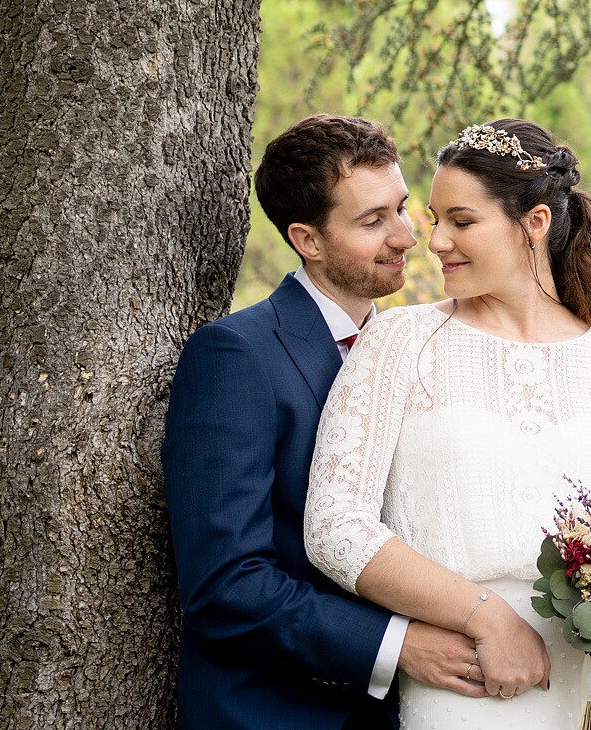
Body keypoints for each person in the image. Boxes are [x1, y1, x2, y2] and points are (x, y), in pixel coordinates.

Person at [306, 119, 591, 728]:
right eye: (435, 219)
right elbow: (335, 527)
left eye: (461, 221)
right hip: (469, 684)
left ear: (535, 224)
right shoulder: (401, 342)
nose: (435, 240)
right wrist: (484, 615)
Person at [164, 115, 485, 729]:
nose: (407, 237)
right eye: (373, 221)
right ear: (308, 240)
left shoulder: (421, 347)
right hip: (276, 712)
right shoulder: (236, 356)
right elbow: (227, 583)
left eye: (401, 208)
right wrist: (398, 646)